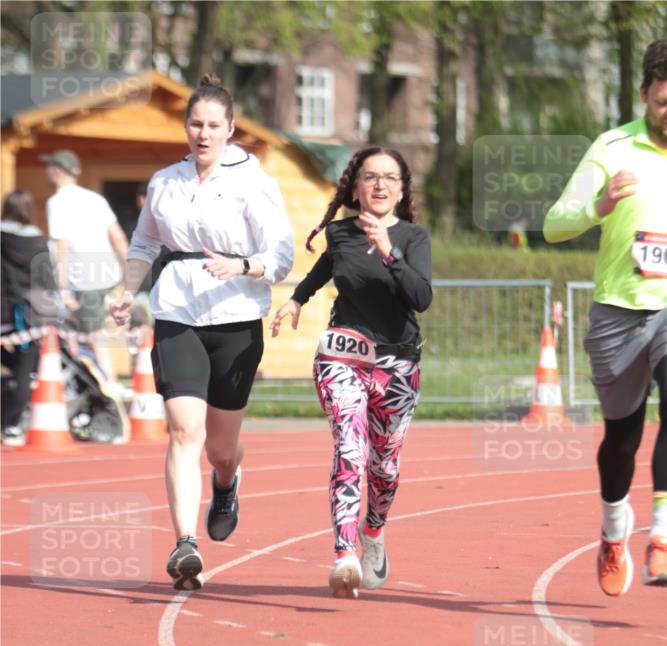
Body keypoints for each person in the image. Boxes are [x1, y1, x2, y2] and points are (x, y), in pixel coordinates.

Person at [111, 73, 294, 591]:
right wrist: (127, 290)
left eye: (215, 125)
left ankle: (227, 482)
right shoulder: (166, 181)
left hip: (236, 319)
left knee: (218, 447)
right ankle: (184, 545)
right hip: (176, 312)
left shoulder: (255, 183)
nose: (204, 133)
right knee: (182, 431)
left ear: (231, 129)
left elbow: (281, 256)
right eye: (196, 123)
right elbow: (145, 243)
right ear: (185, 127)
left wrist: (242, 265)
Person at [271, 146, 432, 598]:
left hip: (398, 362)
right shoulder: (340, 233)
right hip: (343, 355)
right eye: (370, 177)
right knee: (350, 448)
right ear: (355, 187)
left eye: (389, 178)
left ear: (401, 191)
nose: (380, 185)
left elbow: (421, 298)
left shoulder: (414, 238)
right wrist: (296, 299)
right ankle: (344, 553)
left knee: (384, 467)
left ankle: (373, 532)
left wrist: (387, 251)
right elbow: (325, 268)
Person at [544, 39, 667, 593]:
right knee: (623, 438)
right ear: (644, 93)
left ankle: (662, 536)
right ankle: (614, 526)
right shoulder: (613, 146)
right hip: (618, 313)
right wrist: (600, 206)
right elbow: (554, 224)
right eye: (664, 100)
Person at [41, 148, 129, 382]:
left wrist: (61, 287)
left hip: (85, 281)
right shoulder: (96, 198)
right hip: (111, 277)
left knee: (94, 340)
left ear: (57, 170)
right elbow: (118, 237)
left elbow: (62, 246)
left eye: (49, 166)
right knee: (99, 338)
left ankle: (110, 395)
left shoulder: (57, 202)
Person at [1, 190, 60, 445]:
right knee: (24, 369)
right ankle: (12, 424)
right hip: (29, 314)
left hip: (4, 308)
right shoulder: (38, 241)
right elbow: (47, 279)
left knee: (16, 367)